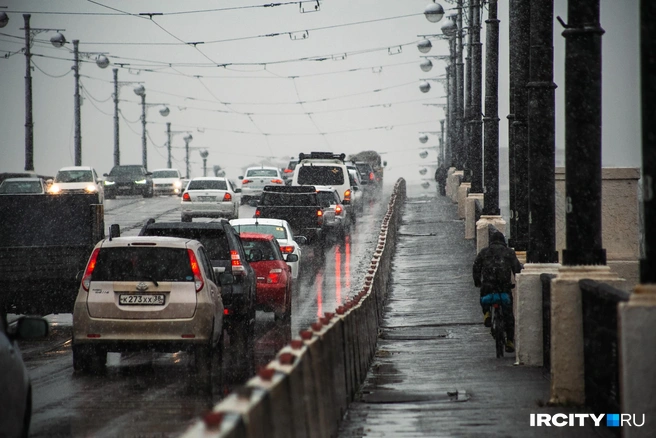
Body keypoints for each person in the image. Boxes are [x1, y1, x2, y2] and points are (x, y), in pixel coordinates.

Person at [472, 228, 522, 353]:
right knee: (508, 314)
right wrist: (517, 279)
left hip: (488, 285)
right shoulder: (509, 252)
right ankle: (510, 341)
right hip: (503, 286)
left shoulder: (484, 252)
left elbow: (476, 267)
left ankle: (487, 313)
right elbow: (516, 268)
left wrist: (477, 281)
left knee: (483, 295)